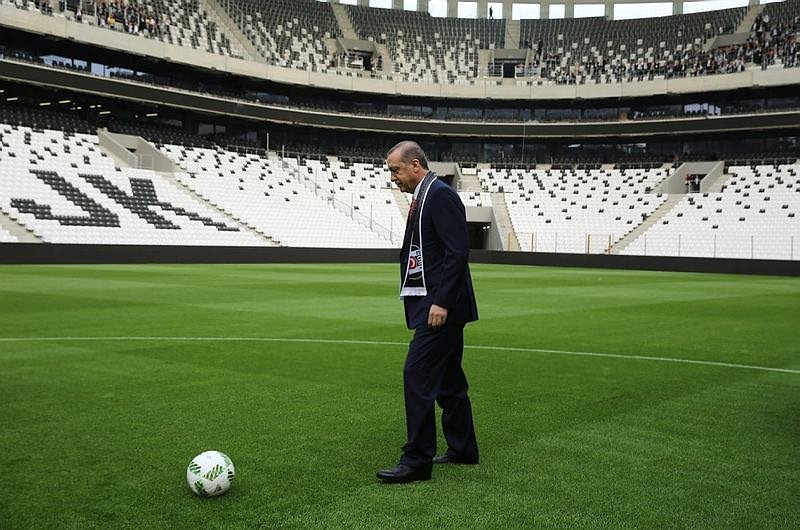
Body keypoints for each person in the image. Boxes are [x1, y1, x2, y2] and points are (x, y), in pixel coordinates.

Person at [376, 141, 479, 484]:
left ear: (416, 165)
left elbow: (457, 252)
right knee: (449, 380)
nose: (393, 177)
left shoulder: (440, 196)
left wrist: (442, 302)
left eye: (396, 169)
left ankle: (417, 460)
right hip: (437, 303)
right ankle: (463, 449)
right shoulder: (424, 197)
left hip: (442, 307)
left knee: (417, 375)